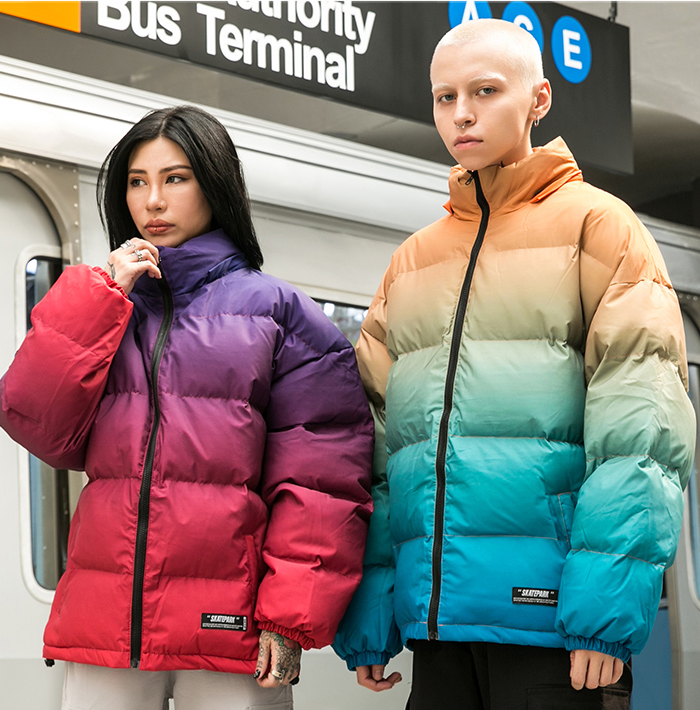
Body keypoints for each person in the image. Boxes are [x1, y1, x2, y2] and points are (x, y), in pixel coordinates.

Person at [332, 18, 696, 709]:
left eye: (486, 91)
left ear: (539, 99)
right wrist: (372, 611)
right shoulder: (413, 260)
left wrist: (603, 612)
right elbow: (376, 448)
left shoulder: (601, 228)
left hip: (553, 623)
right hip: (439, 625)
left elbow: (640, 435)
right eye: (445, 97)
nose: (462, 114)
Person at [0, 104, 374, 710]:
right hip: (107, 626)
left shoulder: (281, 315)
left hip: (231, 628)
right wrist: (100, 298)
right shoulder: (107, 306)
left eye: (175, 178)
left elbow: (322, 480)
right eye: (137, 181)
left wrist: (290, 614)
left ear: (214, 184)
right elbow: (39, 424)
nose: (153, 201)